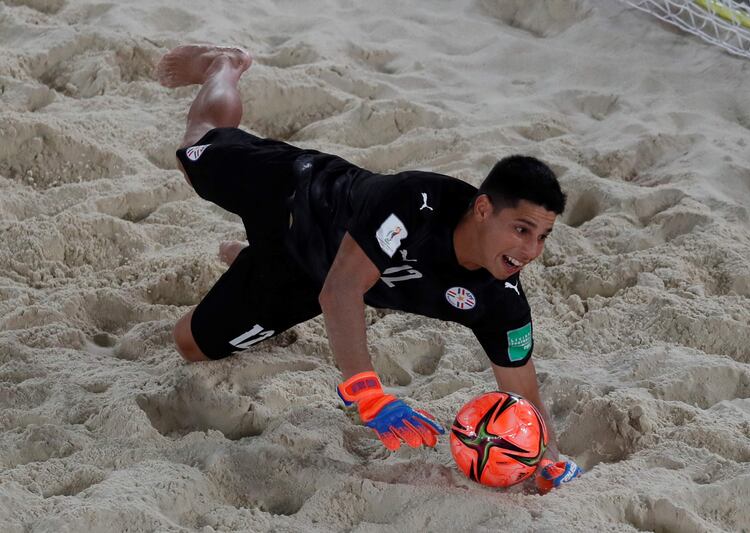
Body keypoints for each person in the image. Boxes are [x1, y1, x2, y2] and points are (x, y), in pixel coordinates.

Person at [157, 44, 581, 493]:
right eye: (520, 230)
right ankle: (223, 67)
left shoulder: (502, 300)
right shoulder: (414, 204)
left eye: (542, 236)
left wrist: (546, 459)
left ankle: (251, 257)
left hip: (302, 274)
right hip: (292, 191)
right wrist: (369, 395)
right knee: (195, 147)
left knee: (191, 345)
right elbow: (342, 293)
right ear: (482, 209)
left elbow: (523, 393)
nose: (530, 249)